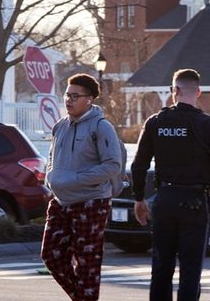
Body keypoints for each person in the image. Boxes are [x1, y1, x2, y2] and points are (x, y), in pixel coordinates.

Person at [132, 68, 210, 301]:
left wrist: (139, 198)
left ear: (175, 91)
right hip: (195, 203)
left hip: (165, 200)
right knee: (190, 271)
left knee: (161, 268)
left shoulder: (155, 122)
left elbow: (139, 165)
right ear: (198, 91)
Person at [41, 73, 123, 301]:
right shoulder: (60, 127)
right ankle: (81, 298)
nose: (69, 100)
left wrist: (76, 179)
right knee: (51, 256)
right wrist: (52, 176)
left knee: (87, 263)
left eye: (75, 96)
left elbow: (112, 166)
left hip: (91, 201)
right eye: (67, 95)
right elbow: (51, 158)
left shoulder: (101, 126)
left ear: (90, 100)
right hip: (61, 201)